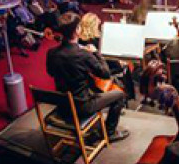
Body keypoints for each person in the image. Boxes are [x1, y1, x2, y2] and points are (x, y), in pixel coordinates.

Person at [45, 12, 129, 141]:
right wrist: (96, 53)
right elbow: (106, 74)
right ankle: (110, 133)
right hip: (82, 107)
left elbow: (50, 73)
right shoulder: (83, 55)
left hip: (63, 105)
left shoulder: (51, 53)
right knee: (119, 94)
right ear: (77, 30)